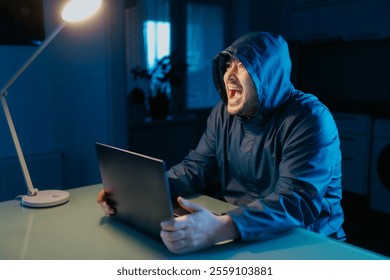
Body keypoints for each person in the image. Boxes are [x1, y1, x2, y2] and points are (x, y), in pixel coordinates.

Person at [97, 31, 346, 254]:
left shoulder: (309, 118)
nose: (229, 74)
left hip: (310, 243)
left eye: (242, 66)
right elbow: (196, 167)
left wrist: (224, 227)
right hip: (242, 234)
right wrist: (140, 192)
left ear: (267, 73)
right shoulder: (223, 113)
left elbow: (297, 200)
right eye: (227, 65)